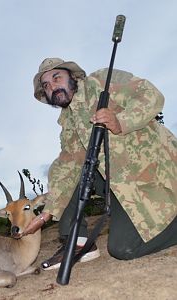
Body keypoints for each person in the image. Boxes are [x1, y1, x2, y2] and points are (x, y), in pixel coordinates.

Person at [23, 57, 177, 271]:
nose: (52, 87)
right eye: (46, 86)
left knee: (123, 249)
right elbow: (67, 167)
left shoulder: (102, 80)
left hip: (155, 172)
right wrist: (47, 212)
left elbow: (151, 95)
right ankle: (78, 243)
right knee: (71, 172)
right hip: (120, 184)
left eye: (56, 78)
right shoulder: (68, 122)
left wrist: (121, 121)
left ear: (73, 77)